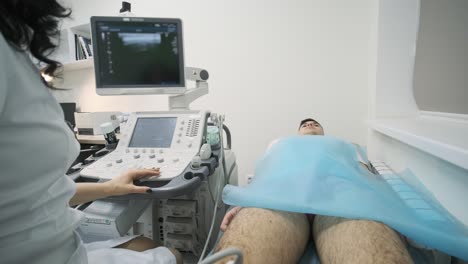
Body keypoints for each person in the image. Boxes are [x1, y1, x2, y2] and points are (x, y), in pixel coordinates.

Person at [0, 1, 181, 263]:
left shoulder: (15, 50)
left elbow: (40, 194)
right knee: (171, 253)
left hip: (64, 246)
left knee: (142, 243)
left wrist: (110, 187)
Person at [214, 118, 414, 264]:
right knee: (239, 253)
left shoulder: (345, 147)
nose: (309, 124)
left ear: (324, 132)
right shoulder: (281, 145)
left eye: (315, 123)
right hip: (282, 199)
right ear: (297, 133)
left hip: (342, 200)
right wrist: (249, 200)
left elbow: (365, 176)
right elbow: (266, 176)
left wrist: (385, 210)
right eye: (304, 124)